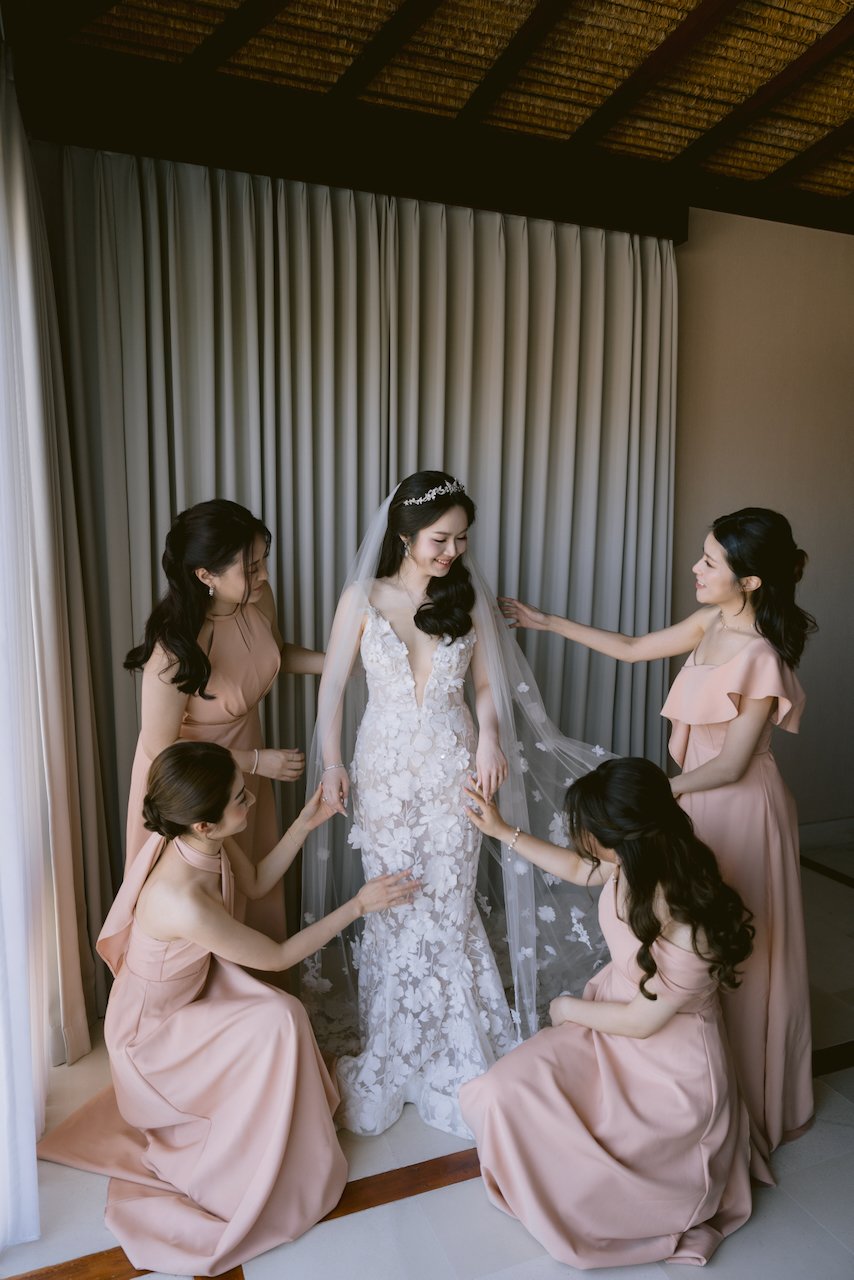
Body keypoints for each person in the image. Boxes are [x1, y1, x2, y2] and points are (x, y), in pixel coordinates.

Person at [500, 506, 815, 1174]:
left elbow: (730, 766)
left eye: (710, 563)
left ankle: (749, 1097)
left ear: (751, 581)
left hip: (738, 807)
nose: (696, 569)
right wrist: (546, 622)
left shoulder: (759, 653)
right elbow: (634, 648)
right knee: (681, 936)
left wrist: (646, 798)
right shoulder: (709, 623)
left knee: (741, 947)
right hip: (688, 803)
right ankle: (682, 1075)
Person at [301, 471, 609, 1139]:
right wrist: (331, 764)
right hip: (382, 770)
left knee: (447, 899)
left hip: (453, 767)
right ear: (405, 535)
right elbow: (331, 691)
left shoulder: (466, 597)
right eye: (440, 539)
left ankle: (459, 1048)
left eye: (462, 539)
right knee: (391, 901)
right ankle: (397, 1048)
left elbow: (489, 687)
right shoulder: (362, 597)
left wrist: (491, 739)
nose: (452, 553)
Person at [38, 740, 416, 1277]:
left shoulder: (202, 835)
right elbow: (281, 954)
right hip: (151, 1040)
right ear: (204, 826)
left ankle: (286, 1128)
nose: (251, 803)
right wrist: (359, 905)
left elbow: (257, 881)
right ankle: (257, 1154)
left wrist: (306, 823)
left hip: (191, 996)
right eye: (241, 799)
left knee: (278, 1012)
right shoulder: (182, 900)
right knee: (280, 1017)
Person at [460, 756, 759, 1269]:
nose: (585, 842)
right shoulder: (629, 863)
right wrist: (502, 831)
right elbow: (579, 869)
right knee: (497, 1091)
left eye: (594, 834)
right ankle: (546, 1185)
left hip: (666, 1067)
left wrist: (566, 1006)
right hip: (609, 1016)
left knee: (583, 1135)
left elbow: (642, 1023)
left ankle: (598, 1203)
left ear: (629, 838)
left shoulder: (691, 927)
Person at [124, 498, 322, 940]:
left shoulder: (258, 599)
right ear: (205, 576)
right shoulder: (174, 649)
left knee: (249, 883)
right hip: (191, 780)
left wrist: (346, 662)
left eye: (263, 562)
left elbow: (273, 655)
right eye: (250, 569)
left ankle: (255, 989)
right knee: (204, 901)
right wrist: (253, 762)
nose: (265, 576)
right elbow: (160, 749)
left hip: (248, 759)